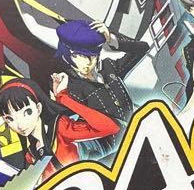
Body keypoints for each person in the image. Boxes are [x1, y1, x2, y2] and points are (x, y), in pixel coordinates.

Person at [54, 19, 149, 158]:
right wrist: (61, 96)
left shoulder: (109, 67)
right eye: (77, 55)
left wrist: (112, 39)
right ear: (66, 55)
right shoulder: (69, 86)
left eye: (90, 55)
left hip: (138, 137)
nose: (86, 62)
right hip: (106, 154)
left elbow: (143, 48)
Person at [0, 74, 119, 179]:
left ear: (38, 108)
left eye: (27, 112)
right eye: (10, 119)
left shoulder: (60, 128)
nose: (19, 125)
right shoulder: (31, 155)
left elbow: (110, 127)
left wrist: (63, 98)